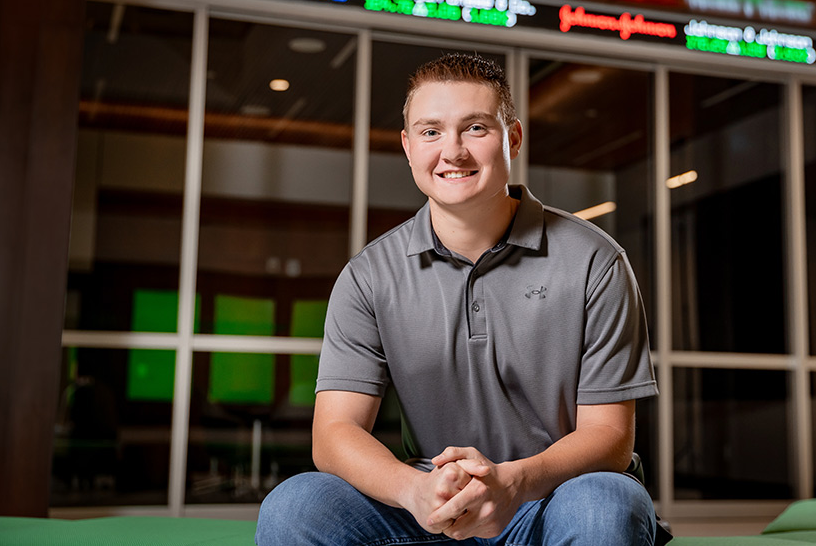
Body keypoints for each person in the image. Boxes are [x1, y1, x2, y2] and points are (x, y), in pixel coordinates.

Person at [256, 53, 662, 545]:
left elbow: (611, 438)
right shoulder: (369, 276)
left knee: (605, 505)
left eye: (474, 128)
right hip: (431, 506)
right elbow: (335, 432)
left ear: (511, 138)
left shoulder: (594, 260)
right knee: (295, 506)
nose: (453, 151)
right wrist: (414, 490)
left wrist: (516, 483)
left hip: (553, 499)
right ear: (407, 147)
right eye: (430, 132)